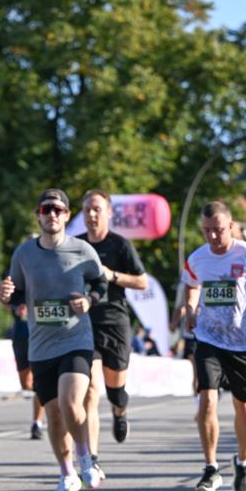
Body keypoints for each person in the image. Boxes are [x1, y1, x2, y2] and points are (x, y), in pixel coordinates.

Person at [0, 189, 107, 491]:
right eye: (47, 209)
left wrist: (89, 300)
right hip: (41, 345)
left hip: (76, 339)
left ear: (67, 215)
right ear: (39, 214)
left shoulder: (82, 250)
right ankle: (67, 474)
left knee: (71, 401)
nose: (52, 215)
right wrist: (9, 297)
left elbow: (100, 283)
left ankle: (87, 458)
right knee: (54, 416)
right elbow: (14, 289)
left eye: (58, 210)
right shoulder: (24, 254)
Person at [183, 201, 246, 491]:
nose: (213, 237)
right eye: (206, 231)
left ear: (231, 227)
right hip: (208, 338)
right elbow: (191, 284)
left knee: (243, 404)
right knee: (207, 400)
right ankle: (211, 468)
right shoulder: (198, 258)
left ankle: (242, 462)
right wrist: (190, 308)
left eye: (218, 230)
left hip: (242, 342)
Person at [76, 190, 148, 476]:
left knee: (114, 389)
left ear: (108, 213)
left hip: (115, 322)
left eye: (97, 209)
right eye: (87, 209)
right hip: (84, 325)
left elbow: (142, 282)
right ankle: (91, 458)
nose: (92, 214)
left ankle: (120, 411)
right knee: (90, 391)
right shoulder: (75, 245)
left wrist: (111, 275)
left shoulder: (120, 245)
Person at [9, 299, 45, 439]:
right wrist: (13, 306)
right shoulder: (10, 276)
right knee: (26, 384)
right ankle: (48, 395)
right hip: (20, 335)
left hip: (40, 335)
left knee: (39, 383)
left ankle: (37, 423)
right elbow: (5, 299)